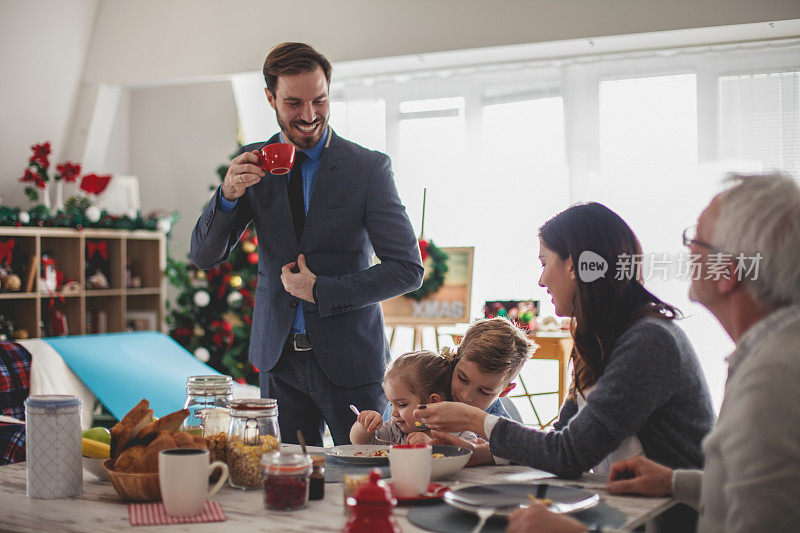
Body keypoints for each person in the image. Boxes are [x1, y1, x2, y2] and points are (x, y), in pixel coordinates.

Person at [507, 172, 800, 532]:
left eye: (697, 240)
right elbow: (753, 493)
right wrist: (674, 482)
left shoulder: (773, 379)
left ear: (729, 273)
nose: (686, 251)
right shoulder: (768, 357)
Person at [190, 43, 423, 446]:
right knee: (288, 487)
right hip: (277, 362)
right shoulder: (252, 163)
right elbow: (205, 255)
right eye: (294, 103)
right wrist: (226, 195)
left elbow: (407, 269)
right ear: (270, 99)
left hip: (352, 361)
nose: (310, 115)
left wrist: (320, 290)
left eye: (320, 100)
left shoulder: (367, 168)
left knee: (368, 477)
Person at [414, 202, 715, 479]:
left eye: (544, 263)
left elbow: (570, 454)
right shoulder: (597, 338)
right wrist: (483, 454)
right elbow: (561, 436)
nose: (541, 281)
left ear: (574, 265)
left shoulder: (648, 341)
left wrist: (476, 421)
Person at [351, 350, 477, 445]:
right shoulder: (395, 430)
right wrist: (364, 426)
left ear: (432, 402)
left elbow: (469, 457)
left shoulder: (459, 431)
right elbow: (361, 443)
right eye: (391, 404)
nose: (393, 412)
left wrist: (433, 447)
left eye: (402, 405)